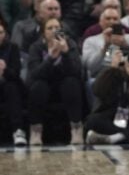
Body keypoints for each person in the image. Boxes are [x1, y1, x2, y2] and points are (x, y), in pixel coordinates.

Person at [25, 17, 85, 146]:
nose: (54, 31)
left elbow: (76, 71)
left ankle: (76, 128)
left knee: (72, 82)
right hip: (45, 85)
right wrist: (50, 58)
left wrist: (66, 53)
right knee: (38, 86)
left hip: (65, 84)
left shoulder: (70, 44)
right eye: (50, 28)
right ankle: (36, 130)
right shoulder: (36, 47)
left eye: (57, 28)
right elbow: (34, 74)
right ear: (43, 33)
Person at [0, 16, 27, 146]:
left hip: (8, 84)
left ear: (5, 34)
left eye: (0, 32)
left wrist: (4, 69)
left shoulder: (12, 48)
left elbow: (16, 74)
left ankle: (18, 130)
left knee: (12, 87)